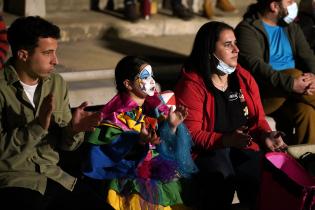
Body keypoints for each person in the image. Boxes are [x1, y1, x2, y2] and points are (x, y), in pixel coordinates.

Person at [0, 16, 113, 210]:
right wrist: (36, 127)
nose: (56, 60)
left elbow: (67, 146)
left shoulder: (56, 83)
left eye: (56, 52)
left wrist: (73, 130)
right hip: (15, 181)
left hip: (56, 176)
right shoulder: (2, 88)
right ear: (23, 55)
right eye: (47, 53)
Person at [174, 21, 287, 210]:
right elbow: (191, 134)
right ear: (210, 51)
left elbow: (257, 120)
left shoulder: (243, 78)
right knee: (221, 179)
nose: (236, 49)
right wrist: (226, 140)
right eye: (228, 45)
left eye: (235, 43)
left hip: (242, 145)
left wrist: (266, 135)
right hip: (208, 150)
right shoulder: (192, 85)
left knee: (261, 177)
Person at [82, 55, 198, 209]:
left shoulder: (156, 110)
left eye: (152, 75)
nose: (151, 80)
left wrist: (171, 126)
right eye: (145, 76)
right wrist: (137, 142)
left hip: (158, 175)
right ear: (128, 84)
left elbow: (167, 149)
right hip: (129, 180)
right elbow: (107, 153)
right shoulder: (115, 116)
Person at [235, 0, 315, 145]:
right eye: (289, 1)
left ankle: (306, 163)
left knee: (306, 112)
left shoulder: (291, 28)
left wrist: (314, 76)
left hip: (296, 92)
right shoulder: (247, 29)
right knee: (294, 73)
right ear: (274, 6)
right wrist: (290, 83)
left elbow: (308, 57)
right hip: (266, 94)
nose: (293, 4)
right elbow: (256, 66)